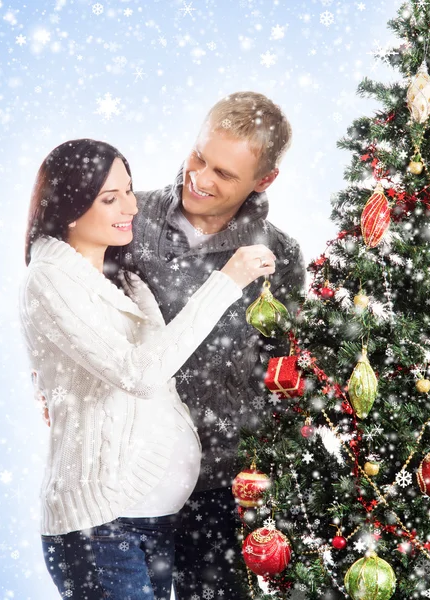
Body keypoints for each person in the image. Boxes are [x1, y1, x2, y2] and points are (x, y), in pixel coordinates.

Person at [19, 138, 277, 600]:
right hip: (103, 530)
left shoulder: (124, 281)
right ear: (70, 209)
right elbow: (138, 374)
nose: (131, 207)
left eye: (130, 191)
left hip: (156, 523)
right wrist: (227, 281)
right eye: (109, 198)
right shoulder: (49, 278)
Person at [121, 92, 306, 598]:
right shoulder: (127, 224)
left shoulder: (280, 257)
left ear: (263, 181)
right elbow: (73, 297)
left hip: (222, 489)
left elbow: (284, 371)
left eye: (224, 174)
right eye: (199, 157)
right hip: (130, 478)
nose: (200, 178)